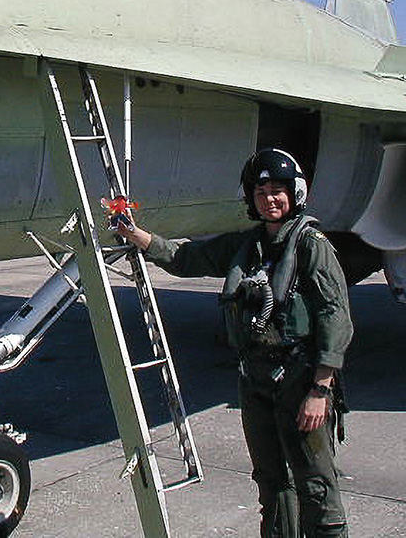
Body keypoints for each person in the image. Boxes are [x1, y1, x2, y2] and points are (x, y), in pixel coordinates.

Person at [117, 148, 352, 538]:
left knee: (316, 484)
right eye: (261, 192)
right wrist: (136, 235)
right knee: (272, 482)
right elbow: (186, 258)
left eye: (278, 190)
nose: (269, 199)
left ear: (295, 193)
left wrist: (319, 390)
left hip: (300, 379)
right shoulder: (247, 247)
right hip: (257, 379)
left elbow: (335, 317)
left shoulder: (312, 246)